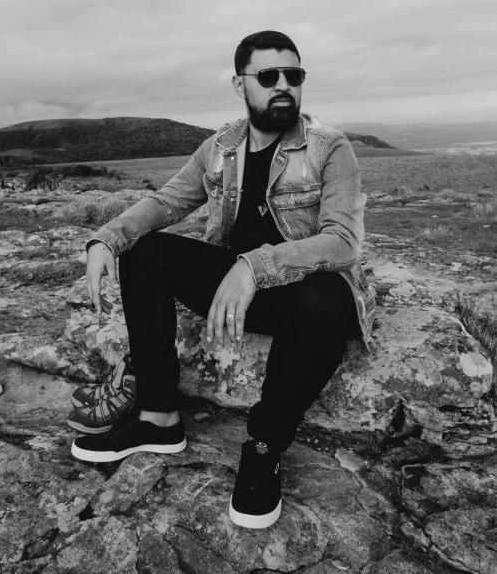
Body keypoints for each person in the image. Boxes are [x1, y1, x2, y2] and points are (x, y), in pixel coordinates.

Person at [68, 30, 376, 530]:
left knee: (327, 300)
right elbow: (168, 202)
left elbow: (342, 242)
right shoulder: (220, 148)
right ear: (240, 84)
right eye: (268, 76)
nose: (283, 86)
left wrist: (254, 265)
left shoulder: (329, 149)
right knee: (144, 252)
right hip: (235, 289)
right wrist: (107, 238)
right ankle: (158, 417)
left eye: (293, 76)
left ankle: (263, 446)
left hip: (295, 293)